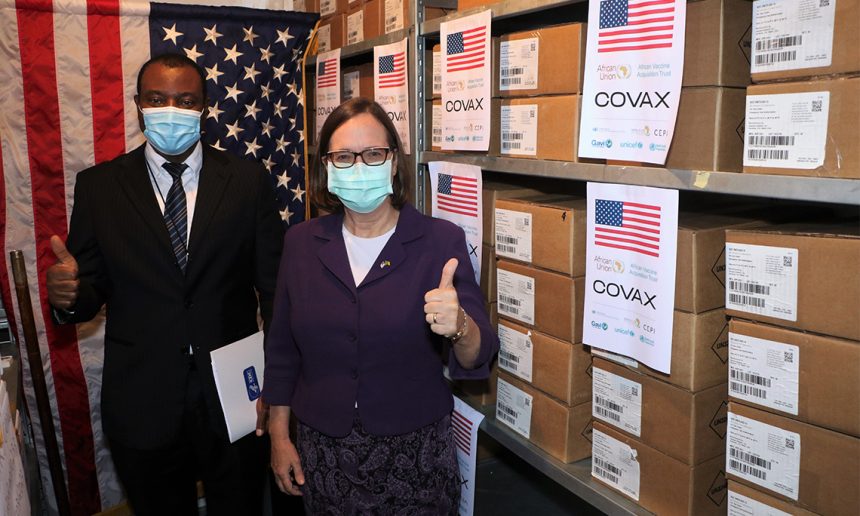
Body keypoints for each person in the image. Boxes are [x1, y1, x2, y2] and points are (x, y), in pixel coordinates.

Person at [45, 53, 284, 515]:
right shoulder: (99, 187)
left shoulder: (247, 181)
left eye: (185, 101)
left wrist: (276, 380)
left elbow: (275, 291)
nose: (170, 110)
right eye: (157, 99)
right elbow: (89, 288)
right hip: (143, 399)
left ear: (204, 108)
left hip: (235, 397)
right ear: (138, 105)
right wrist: (68, 298)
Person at [264, 97, 499, 514]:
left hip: (415, 456)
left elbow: (477, 354)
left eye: (373, 154)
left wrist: (460, 325)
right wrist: (280, 436)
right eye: (343, 156)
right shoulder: (300, 244)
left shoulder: (439, 241)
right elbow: (282, 349)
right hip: (324, 453)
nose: (359, 167)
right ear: (327, 167)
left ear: (393, 163)